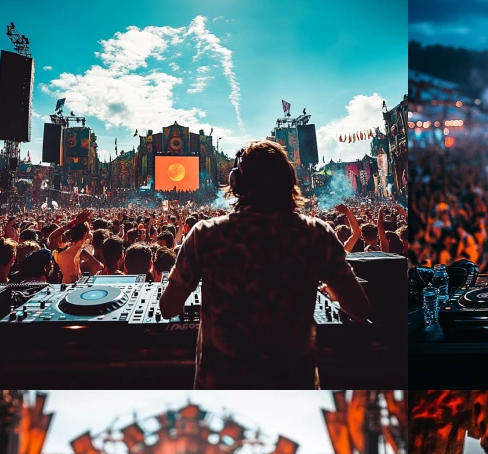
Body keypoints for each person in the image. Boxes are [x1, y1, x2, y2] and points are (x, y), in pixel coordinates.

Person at [159, 140, 371, 388]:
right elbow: (360, 309)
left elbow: (168, 308)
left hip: (222, 389)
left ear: (237, 183)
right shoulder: (316, 234)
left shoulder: (206, 234)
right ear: (289, 182)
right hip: (293, 387)